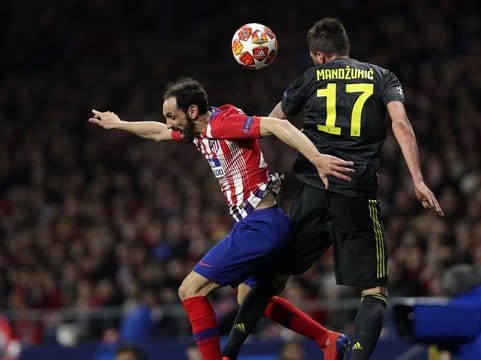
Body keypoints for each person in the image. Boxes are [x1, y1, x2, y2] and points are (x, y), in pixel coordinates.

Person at [223, 17, 445, 360]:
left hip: (311, 190)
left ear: (320, 56)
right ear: (345, 49)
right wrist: (417, 179)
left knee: (272, 278)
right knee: (373, 290)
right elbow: (401, 123)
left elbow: (273, 123)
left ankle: (229, 353)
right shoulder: (381, 76)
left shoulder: (310, 78)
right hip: (355, 193)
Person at [89, 76, 355, 360]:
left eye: (171, 116)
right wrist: (119, 124)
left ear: (192, 112)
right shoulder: (199, 130)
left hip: (260, 226)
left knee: (190, 290)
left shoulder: (221, 124)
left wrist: (317, 159)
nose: (168, 124)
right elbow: (157, 133)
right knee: (247, 298)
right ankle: (328, 339)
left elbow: (278, 125)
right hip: (263, 224)